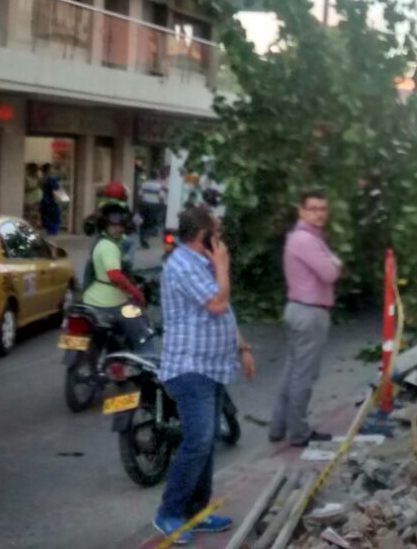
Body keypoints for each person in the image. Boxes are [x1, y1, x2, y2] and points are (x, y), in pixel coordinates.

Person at [153, 206, 255, 543]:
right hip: (189, 367)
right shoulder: (183, 265)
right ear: (204, 237)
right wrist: (223, 266)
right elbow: (217, 304)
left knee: (207, 442)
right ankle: (169, 512)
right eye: (217, 232)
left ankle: (196, 512)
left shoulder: (202, 264)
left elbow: (226, 313)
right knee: (197, 441)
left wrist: (242, 348)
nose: (221, 238)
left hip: (210, 367)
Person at [269, 190, 341, 447]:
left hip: (299, 310)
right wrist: (334, 262)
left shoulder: (308, 238)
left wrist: (332, 261)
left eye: (322, 208)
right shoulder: (306, 240)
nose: (319, 213)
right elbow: (330, 273)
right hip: (309, 313)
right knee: (303, 375)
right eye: (313, 208)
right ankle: (298, 432)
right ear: (301, 211)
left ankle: (278, 427)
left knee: (292, 372)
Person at [82, 206, 146, 311]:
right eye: (113, 225)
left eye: (121, 225)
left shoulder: (106, 241)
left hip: (94, 299)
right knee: (137, 325)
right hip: (108, 303)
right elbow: (115, 275)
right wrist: (136, 293)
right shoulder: (109, 246)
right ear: (105, 226)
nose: (118, 229)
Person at [139, 170, 167, 249]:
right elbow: (161, 197)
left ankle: (142, 238)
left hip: (144, 204)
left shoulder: (144, 184)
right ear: (157, 176)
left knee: (143, 222)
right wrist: (161, 205)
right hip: (154, 206)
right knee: (151, 222)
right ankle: (146, 239)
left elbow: (140, 195)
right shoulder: (159, 186)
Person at [39, 163, 63, 235]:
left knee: (46, 217)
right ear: (49, 170)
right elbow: (57, 189)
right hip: (51, 202)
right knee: (54, 218)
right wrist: (62, 198)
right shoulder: (52, 179)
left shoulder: (41, 179)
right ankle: (52, 232)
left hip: (43, 201)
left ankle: (48, 230)